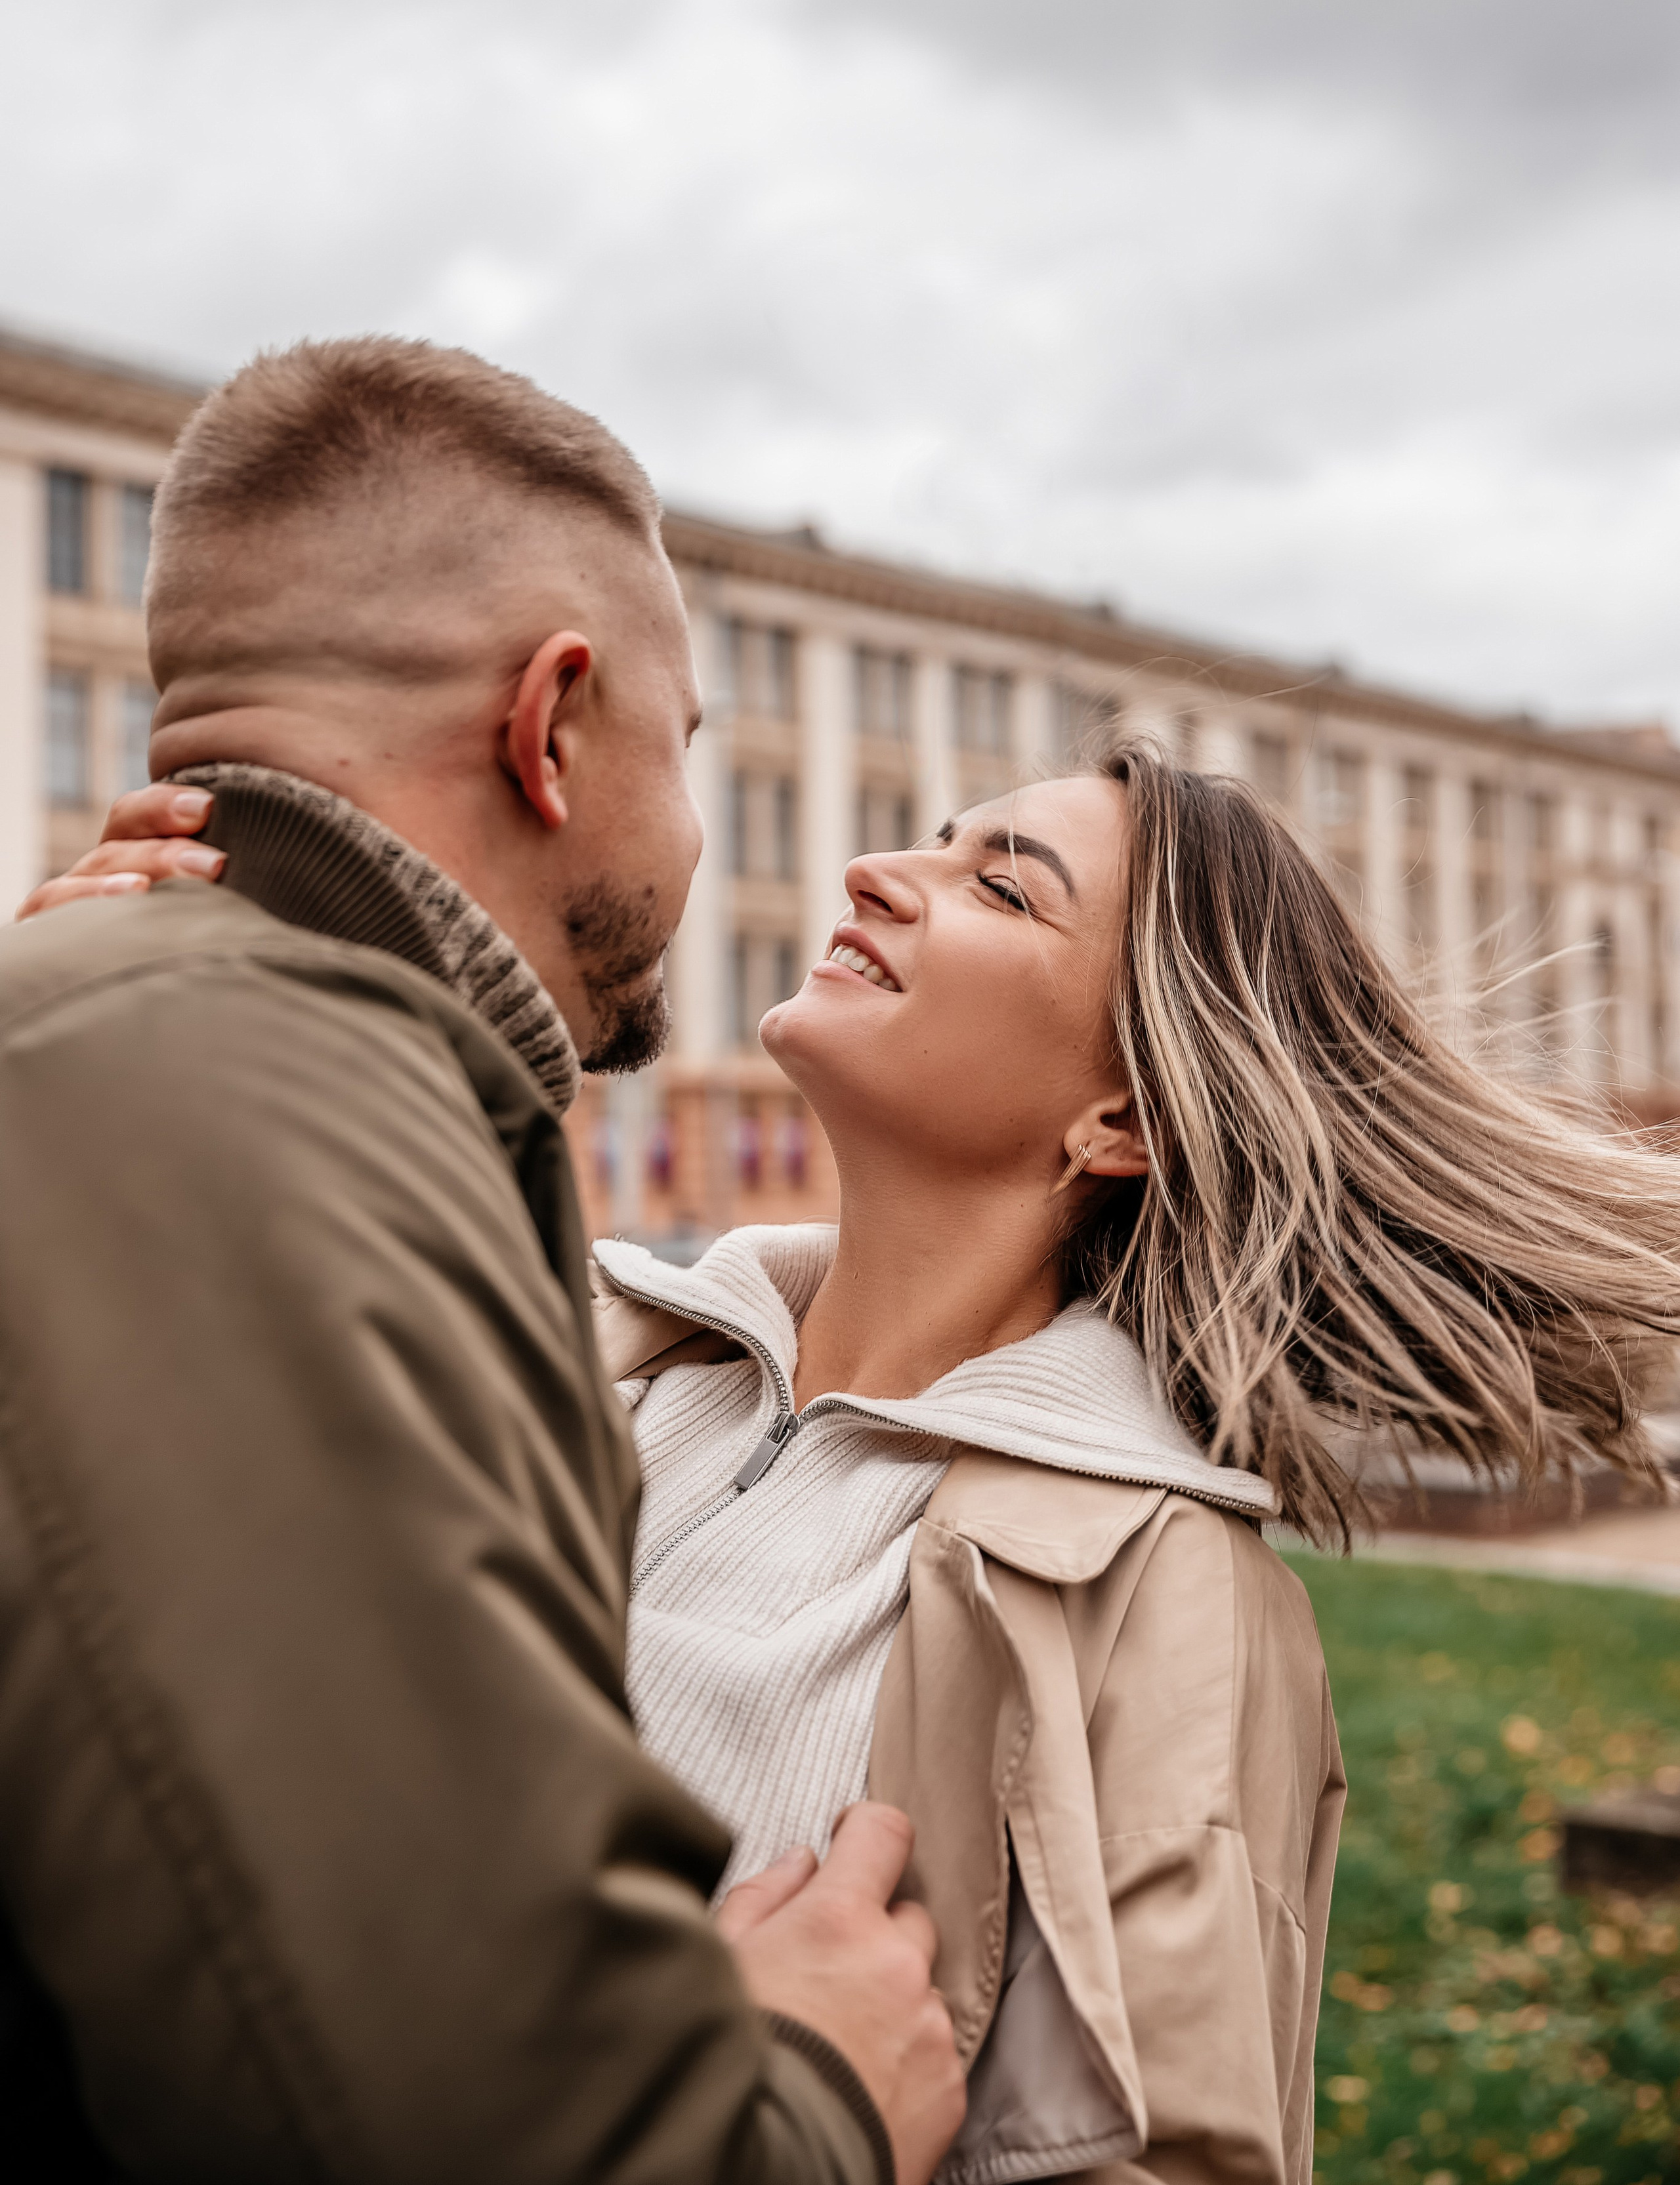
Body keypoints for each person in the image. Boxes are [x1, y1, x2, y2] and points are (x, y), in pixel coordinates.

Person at [58, 741, 1680, 2185]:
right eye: (936, 836)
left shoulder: (1161, 1593)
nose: (872, 872)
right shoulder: (566, 1361)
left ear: (1119, 1117)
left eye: (999, 883)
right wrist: (75, 1043)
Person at [0, 337, 963, 2185]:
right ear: (553, 726)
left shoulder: (190, 1061)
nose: (704, 841)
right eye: (685, 758)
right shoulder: (246, 1122)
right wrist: (812, 2092)